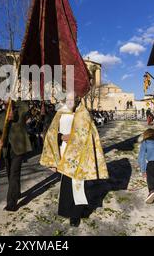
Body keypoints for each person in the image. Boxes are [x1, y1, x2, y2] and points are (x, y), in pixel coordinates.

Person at [41, 93, 109, 227]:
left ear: (78, 100)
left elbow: (90, 133)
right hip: (64, 152)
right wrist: (60, 137)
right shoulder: (60, 113)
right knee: (67, 184)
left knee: (78, 184)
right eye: (69, 99)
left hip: (80, 153)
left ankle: (76, 215)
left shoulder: (84, 113)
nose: (71, 102)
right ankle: (68, 211)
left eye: (73, 99)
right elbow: (50, 132)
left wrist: (75, 137)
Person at [0, 100, 32, 212]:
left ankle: (11, 204)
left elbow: (25, 106)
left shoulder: (20, 114)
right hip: (6, 149)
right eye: (8, 111)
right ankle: (16, 192)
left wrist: (14, 99)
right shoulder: (1, 116)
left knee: (14, 174)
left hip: (18, 149)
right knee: (10, 173)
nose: (10, 114)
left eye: (12, 110)